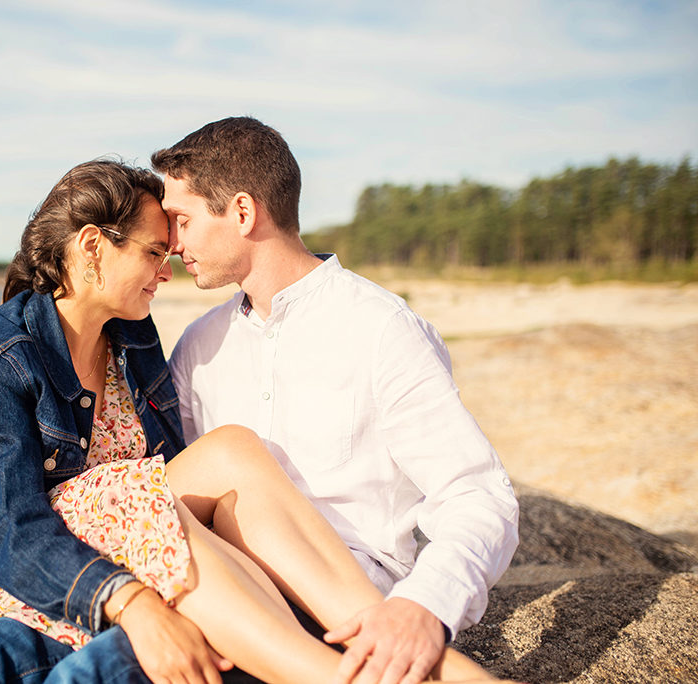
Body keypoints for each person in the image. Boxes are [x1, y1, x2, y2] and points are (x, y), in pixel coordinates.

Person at [0, 158, 504, 684]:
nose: (169, 266)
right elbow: (5, 528)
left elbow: (185, 486)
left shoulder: (133, 339)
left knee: (229, 452)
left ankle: (410, 651)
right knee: (139, 482)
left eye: (171, 243)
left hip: (142, 548)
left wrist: (417, 608)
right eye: (155, 251)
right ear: (93, 248)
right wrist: (128, 600)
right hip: (45, 575)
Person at [153, 116, 521, 684]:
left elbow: (477, 493)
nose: (174, 245)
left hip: (353, 598)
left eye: (183, 220)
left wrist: (424, 606)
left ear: (243, 213)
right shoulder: (199, 347)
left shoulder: (381, 329)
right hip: (234, 598)